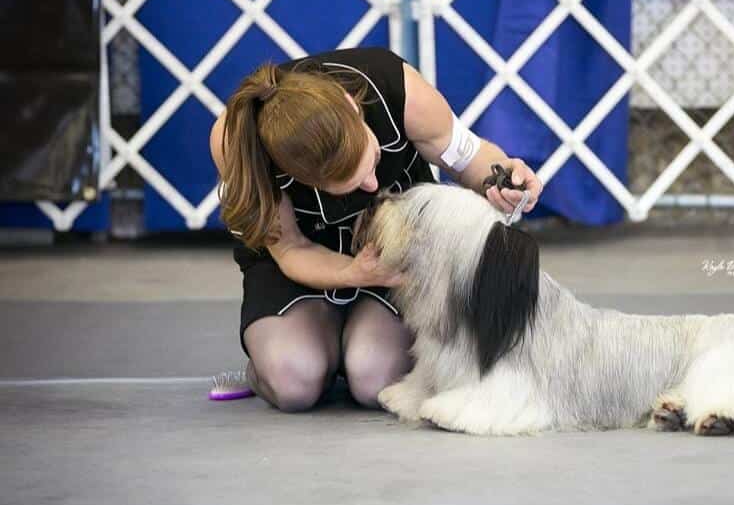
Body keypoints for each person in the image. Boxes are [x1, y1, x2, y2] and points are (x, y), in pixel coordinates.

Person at [209, 47, 543, 413]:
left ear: (353, 106)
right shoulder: (236, 140)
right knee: (294, 383)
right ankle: (271, 365)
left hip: (395, 252)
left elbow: (470, 159)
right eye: (350, 185)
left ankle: (345, 344)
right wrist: (354, 272)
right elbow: (290, 249)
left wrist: (504, 175)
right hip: (302, 257)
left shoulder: (399, 89)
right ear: (298, 178)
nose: (372, 185)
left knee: (375, 380)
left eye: (374, 162)